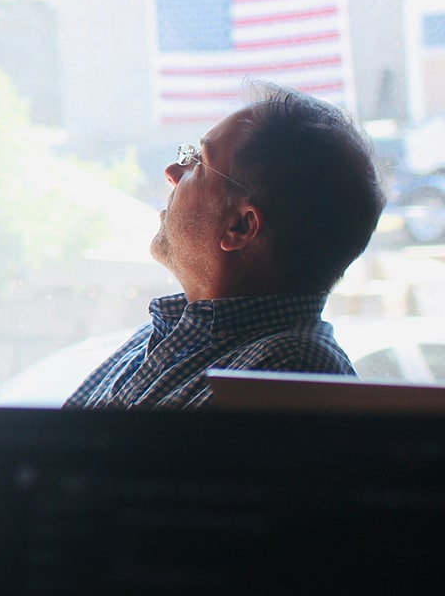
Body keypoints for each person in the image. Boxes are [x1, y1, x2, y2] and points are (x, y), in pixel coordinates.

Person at [64, 83, 386, 409]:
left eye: (199, 163)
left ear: (240, 226)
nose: (173, 172)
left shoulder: (289, 371)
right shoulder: (167, 336)